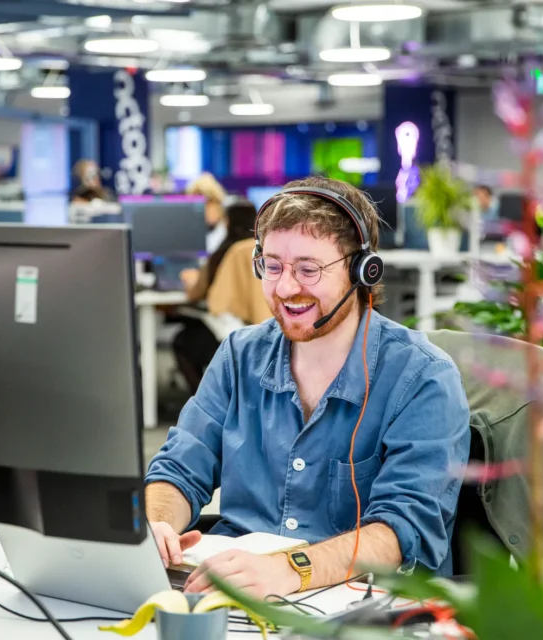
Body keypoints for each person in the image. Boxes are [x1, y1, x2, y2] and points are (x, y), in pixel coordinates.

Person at [145, 176, 471, 597]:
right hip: (233, 594)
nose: (285, 288)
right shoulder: (239, 356)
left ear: (362, 270)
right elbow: (178, 469)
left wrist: (292, 569)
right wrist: (159, 524)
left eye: (308, 269)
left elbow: (403, 529)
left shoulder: (422, 377)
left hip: (363, 608)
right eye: (273, 266)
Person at [174, 200, 271, 392]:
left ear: (227, 222)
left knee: (182, 341)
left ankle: (205, 400)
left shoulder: (222, 253)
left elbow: (207, 297)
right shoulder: (270, 252)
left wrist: (192, 280)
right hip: (268, 329)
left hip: (232, 332)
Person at [186, 173, 227, 254]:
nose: (203, 210)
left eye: (208, 204)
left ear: (218, 203)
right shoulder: (189, 232)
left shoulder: (229, 231)